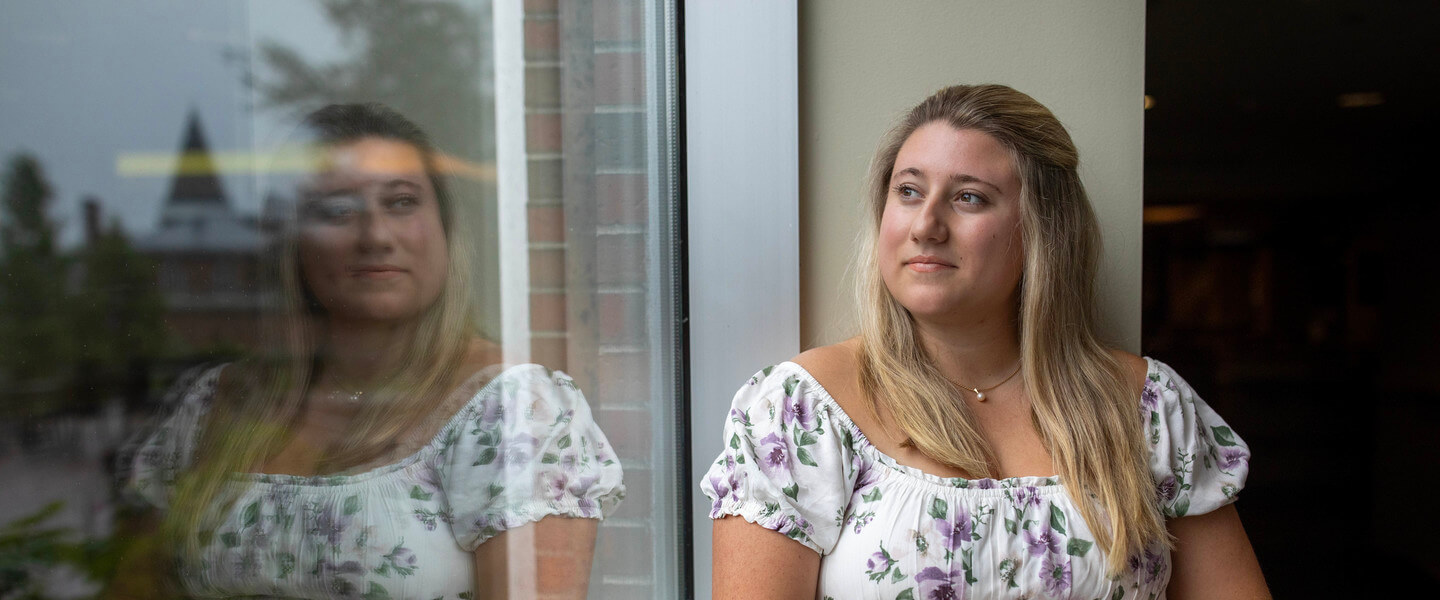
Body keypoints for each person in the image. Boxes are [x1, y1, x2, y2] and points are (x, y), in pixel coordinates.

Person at [702, 85, 1270, 599]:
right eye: (908, 191)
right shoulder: (802, 412)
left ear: (1041, 230)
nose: (926, 224)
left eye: (968, 197)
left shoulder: (1148, 408)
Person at [111, 103, 623, 599]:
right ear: (294, 240)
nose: (375, 236)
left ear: (443, 228)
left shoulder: (511, 411)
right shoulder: (215, 404)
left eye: (400, 202)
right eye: (337, 210)